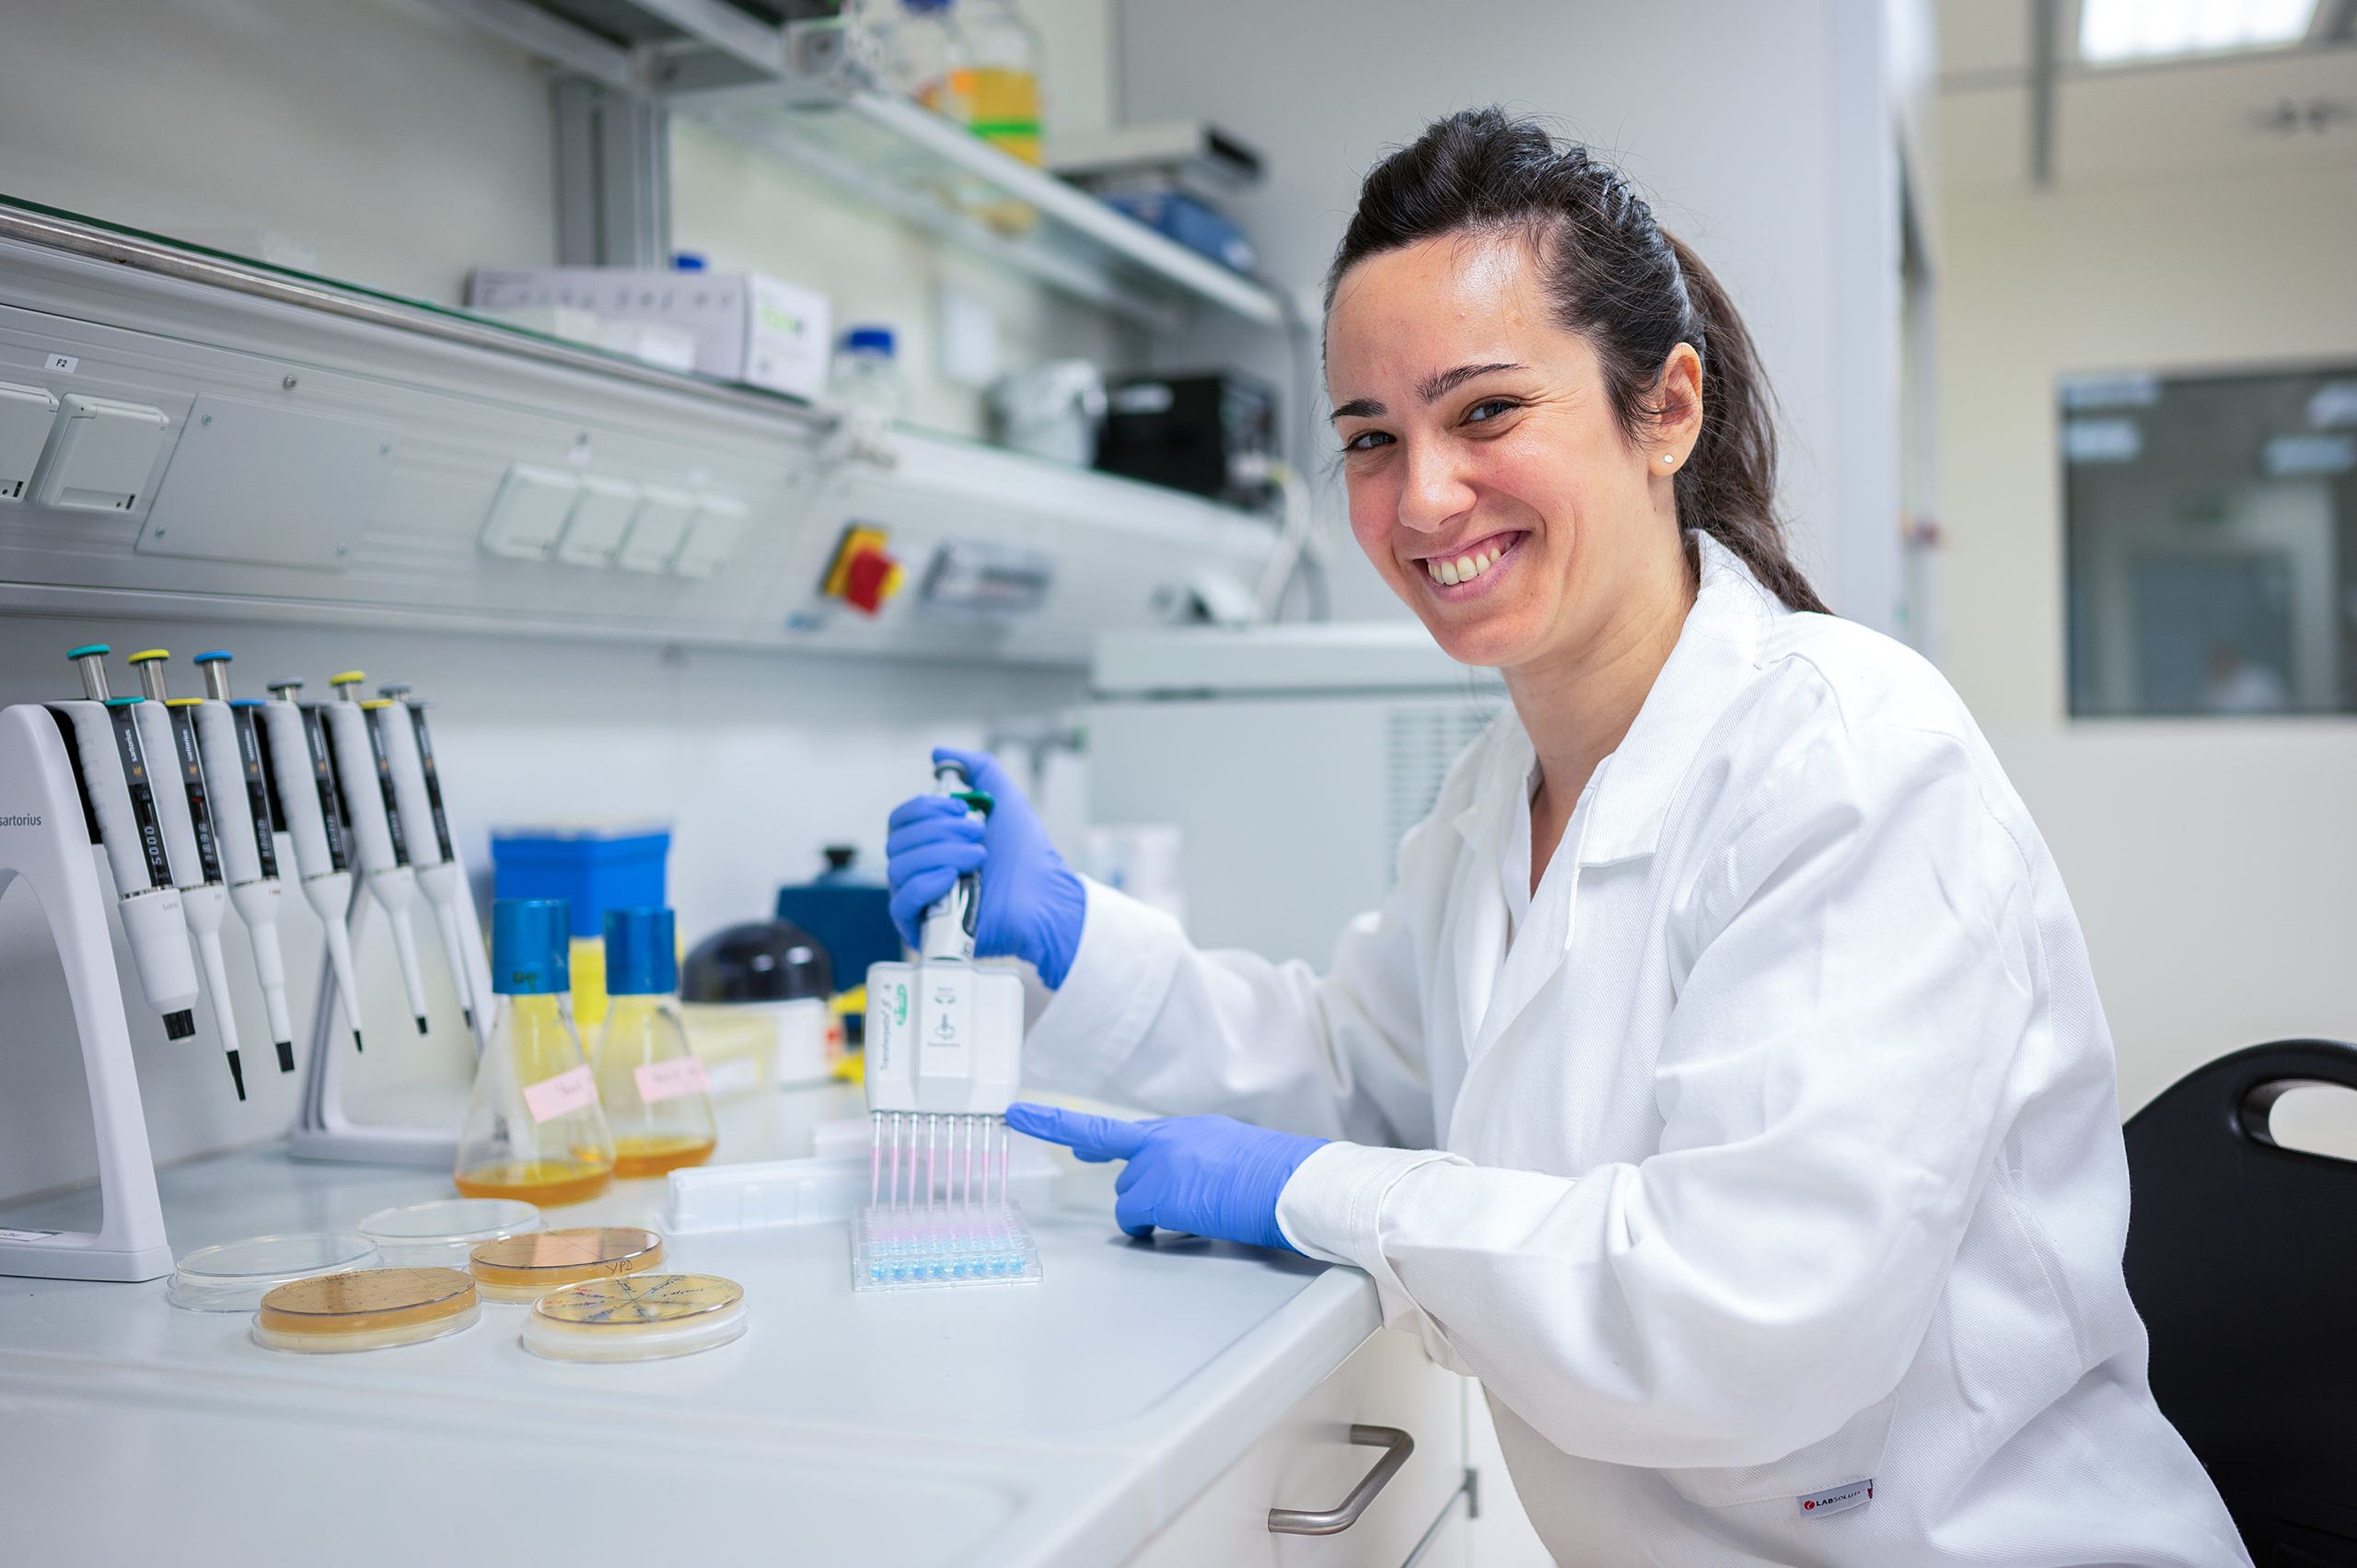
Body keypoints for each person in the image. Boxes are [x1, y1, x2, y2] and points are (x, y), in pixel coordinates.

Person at [885, 110, 2246, 1565]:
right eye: (1368, 439)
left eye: (1483, 413)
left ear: (1665, 409)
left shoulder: (1852, 762)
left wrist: (1299, 1190)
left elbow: (1749, 1315)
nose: (1421, 498)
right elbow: (1367, 1080)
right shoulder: (1496, 794)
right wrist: (1082, 943)